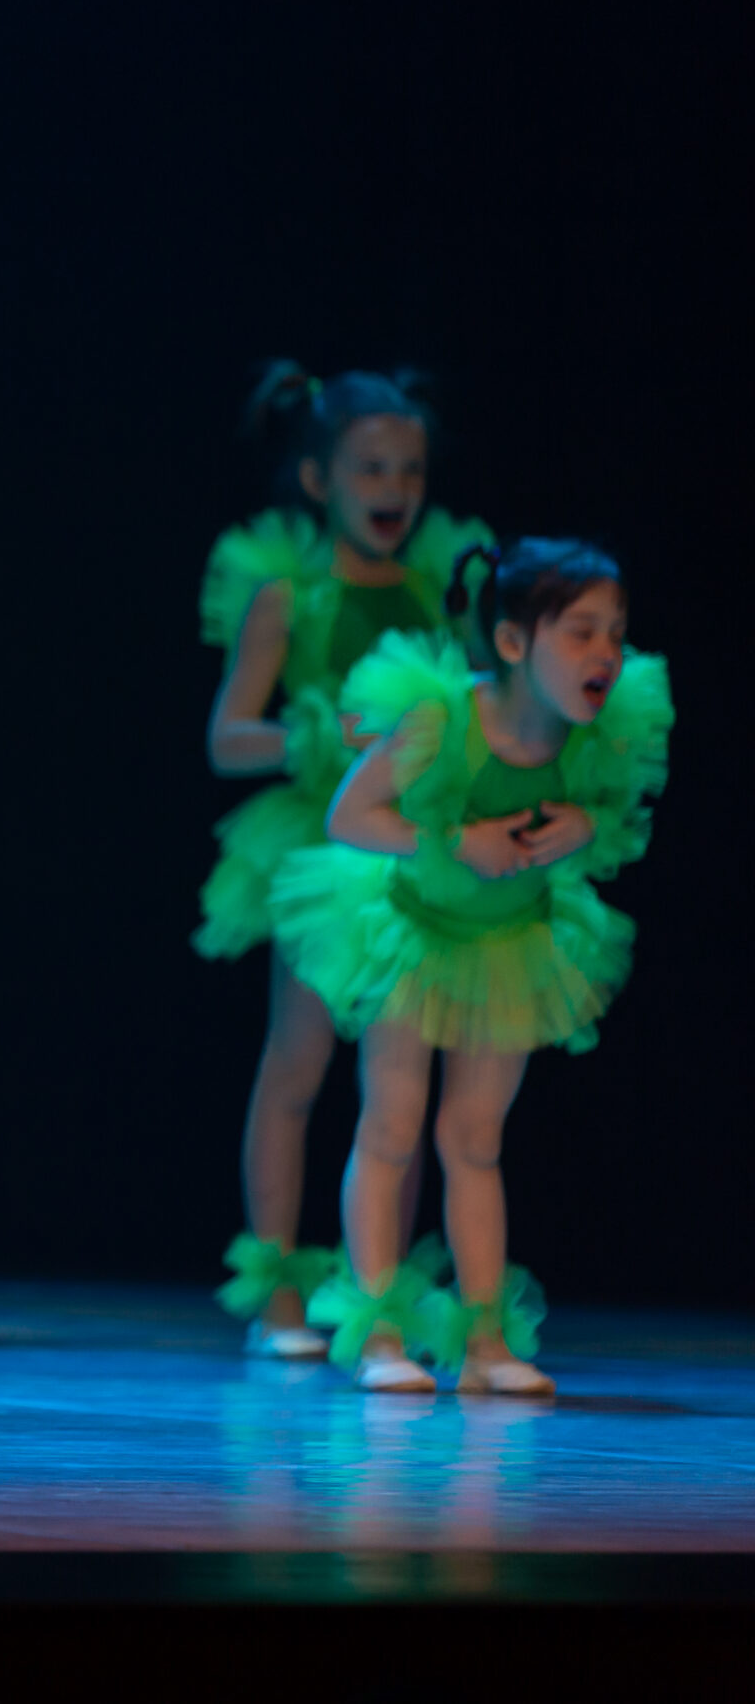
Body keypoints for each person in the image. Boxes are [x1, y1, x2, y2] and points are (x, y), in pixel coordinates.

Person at [277, 539, 668, 1394]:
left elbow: (611, 809)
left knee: (474, 1138)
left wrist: (587, 827)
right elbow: (349, 816)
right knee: (391, 1125)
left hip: (509, 945)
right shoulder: (443, 721)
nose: (606, 652)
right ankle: (380, 1335)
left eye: (616, 632)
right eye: (581, 632)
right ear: (515, 641)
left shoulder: (601, 733)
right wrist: (455, 841)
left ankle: (485, 1344)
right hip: (414, 937)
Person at [198, 363, 492, 1356]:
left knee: (398, 1086)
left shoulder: (436, 592)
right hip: (320, 846)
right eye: (371, 468)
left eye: (410, 470)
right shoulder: (290, 598)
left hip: (408, 852)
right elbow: (226, 736)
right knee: (298, 1064)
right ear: (319, 480)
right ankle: (277, 1288)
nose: (393, 488)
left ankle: (380, 1293)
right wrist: (314, 734)